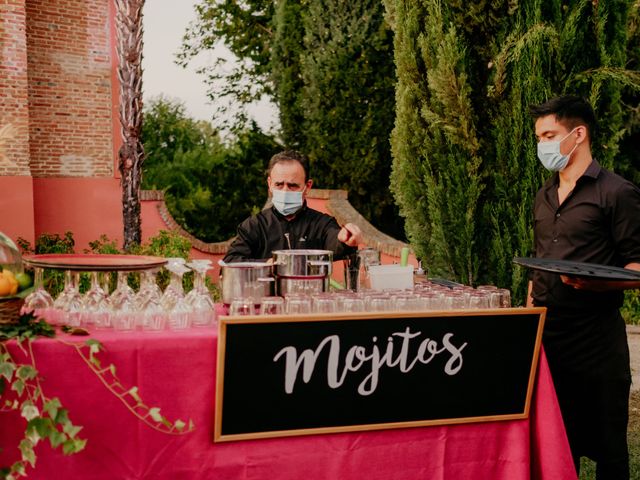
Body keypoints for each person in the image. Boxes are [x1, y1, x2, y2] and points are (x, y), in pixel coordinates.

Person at [527, 95, 640, 479]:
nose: (542, 145)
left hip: (597, 345)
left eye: (549, 135)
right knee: (557, 448)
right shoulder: (543, 195)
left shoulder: (617, 193)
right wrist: (529, 317)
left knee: (609, 453)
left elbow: (637, 266)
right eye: (538, 137)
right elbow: (538, 261)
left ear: (578, 134)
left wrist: (596, 283)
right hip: (548, 342)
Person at [223, 150, 362, 263]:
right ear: (270, 184)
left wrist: (345, 239)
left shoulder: (323, 224)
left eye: (292, 185)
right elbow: (230, 261)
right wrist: (266, 264)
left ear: (307, 186)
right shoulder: (253, 226)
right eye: (279, 184)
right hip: (265, 296)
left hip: (308, 295)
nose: (285, 191)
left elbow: (335, 243)